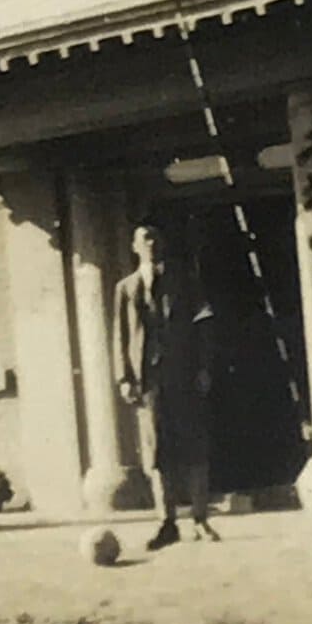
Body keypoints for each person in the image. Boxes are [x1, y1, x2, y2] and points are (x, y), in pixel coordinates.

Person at [112, 223, 219, 550]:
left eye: (156, 238)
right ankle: (166, 522)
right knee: (156, 451)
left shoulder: (184, 281)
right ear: (134, 247)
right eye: (144, 239)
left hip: (184, 374)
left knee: (193, 445)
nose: (151, 244)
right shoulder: (126, 288)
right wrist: (124, 378)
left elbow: (204, 324)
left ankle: (200, 519)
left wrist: (204, 367)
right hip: (149, 381)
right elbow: (120, 336)